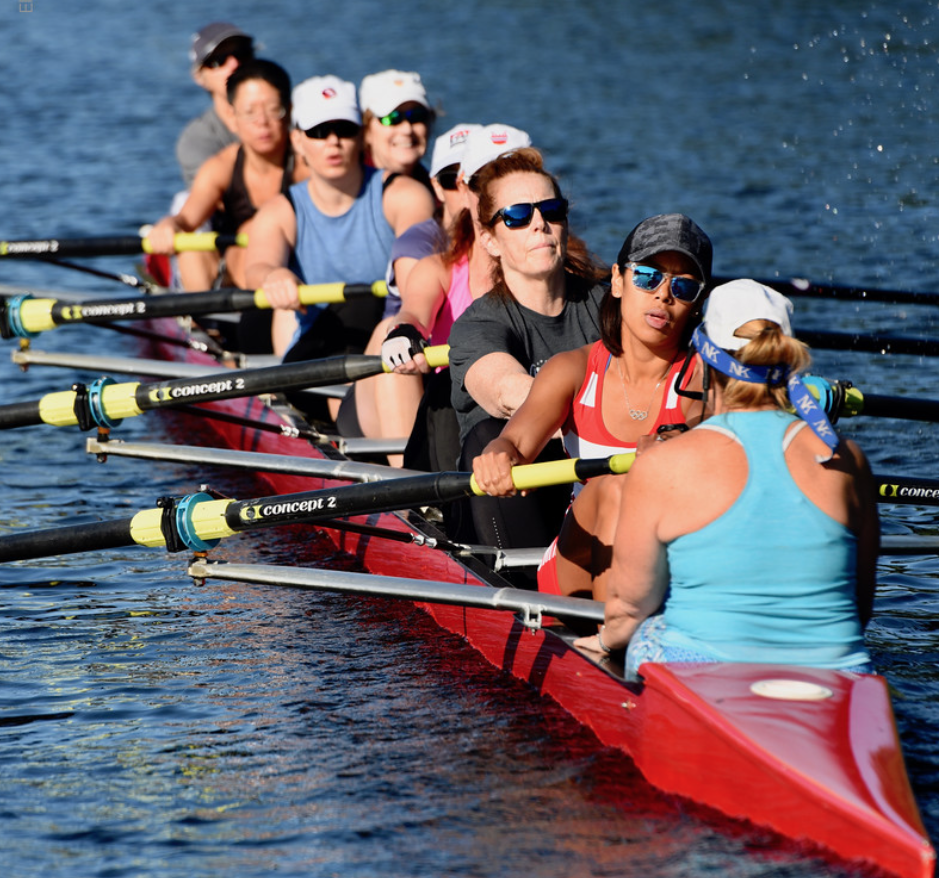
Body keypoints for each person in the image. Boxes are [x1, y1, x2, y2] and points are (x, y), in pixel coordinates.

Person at [575, 279, 878, 678]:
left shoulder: (663, 464)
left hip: (702, 666)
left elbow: (630, 610)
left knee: (643, 626)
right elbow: (860, 606)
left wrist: (600, 644)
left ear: (701, 363)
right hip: (841, 671)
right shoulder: (847, 458)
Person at [472, 214, 713, 602]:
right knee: (612, 488)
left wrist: (680, 443)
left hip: (668, 558)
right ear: (617, 280)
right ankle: (613, 635)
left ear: (697, 303)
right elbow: (514, 442)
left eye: (683, 287)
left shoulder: (702, 378)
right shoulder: (572, 369)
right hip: (575, 566)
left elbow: (702, 426)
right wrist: (496, 456)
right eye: (648, 276)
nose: (663, 295)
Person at [244, 74, 435, 419]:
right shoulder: (280, 210)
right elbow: (257, 264)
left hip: (392, 341)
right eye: (319, 131)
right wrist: (274, 275)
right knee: (345, 315)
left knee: (368, 314)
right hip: (316, 359)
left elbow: (418, 266)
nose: (333, 142)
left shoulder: (404, 194)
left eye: (344, 129)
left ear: (360, 136)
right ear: (298, 141)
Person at [447, 147, 610, 552]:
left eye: (551, 210)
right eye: (518, 216)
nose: (539, 224)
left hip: (600, 484)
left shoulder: (608, 304)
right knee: (489, 433)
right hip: (516, 496)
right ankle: (528, 597)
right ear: (489, 239)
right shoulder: (477, 324)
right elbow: (506, 393)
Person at [149, 60, 305, 350]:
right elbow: (185, 220)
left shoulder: (306, 163)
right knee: (189, 242)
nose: (262, 122)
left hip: (295, 277)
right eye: (250, 113)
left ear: (289, 111)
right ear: (232, 118)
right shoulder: (221, 167)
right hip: (239, 279)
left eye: (273, 110)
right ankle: (210, 334)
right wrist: (167, 227)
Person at [177, 22, 256, 189]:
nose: (234, 64)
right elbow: (216, 199)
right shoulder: (196, 140)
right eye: (218, 60)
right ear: (199, 77)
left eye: (241, 54)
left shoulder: (296, 116)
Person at [359, 69, 434, 186]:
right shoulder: (348, 191)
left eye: (417, 115)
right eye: (392, 118)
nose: (407, 129)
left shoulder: (442, 191)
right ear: (366, 131)